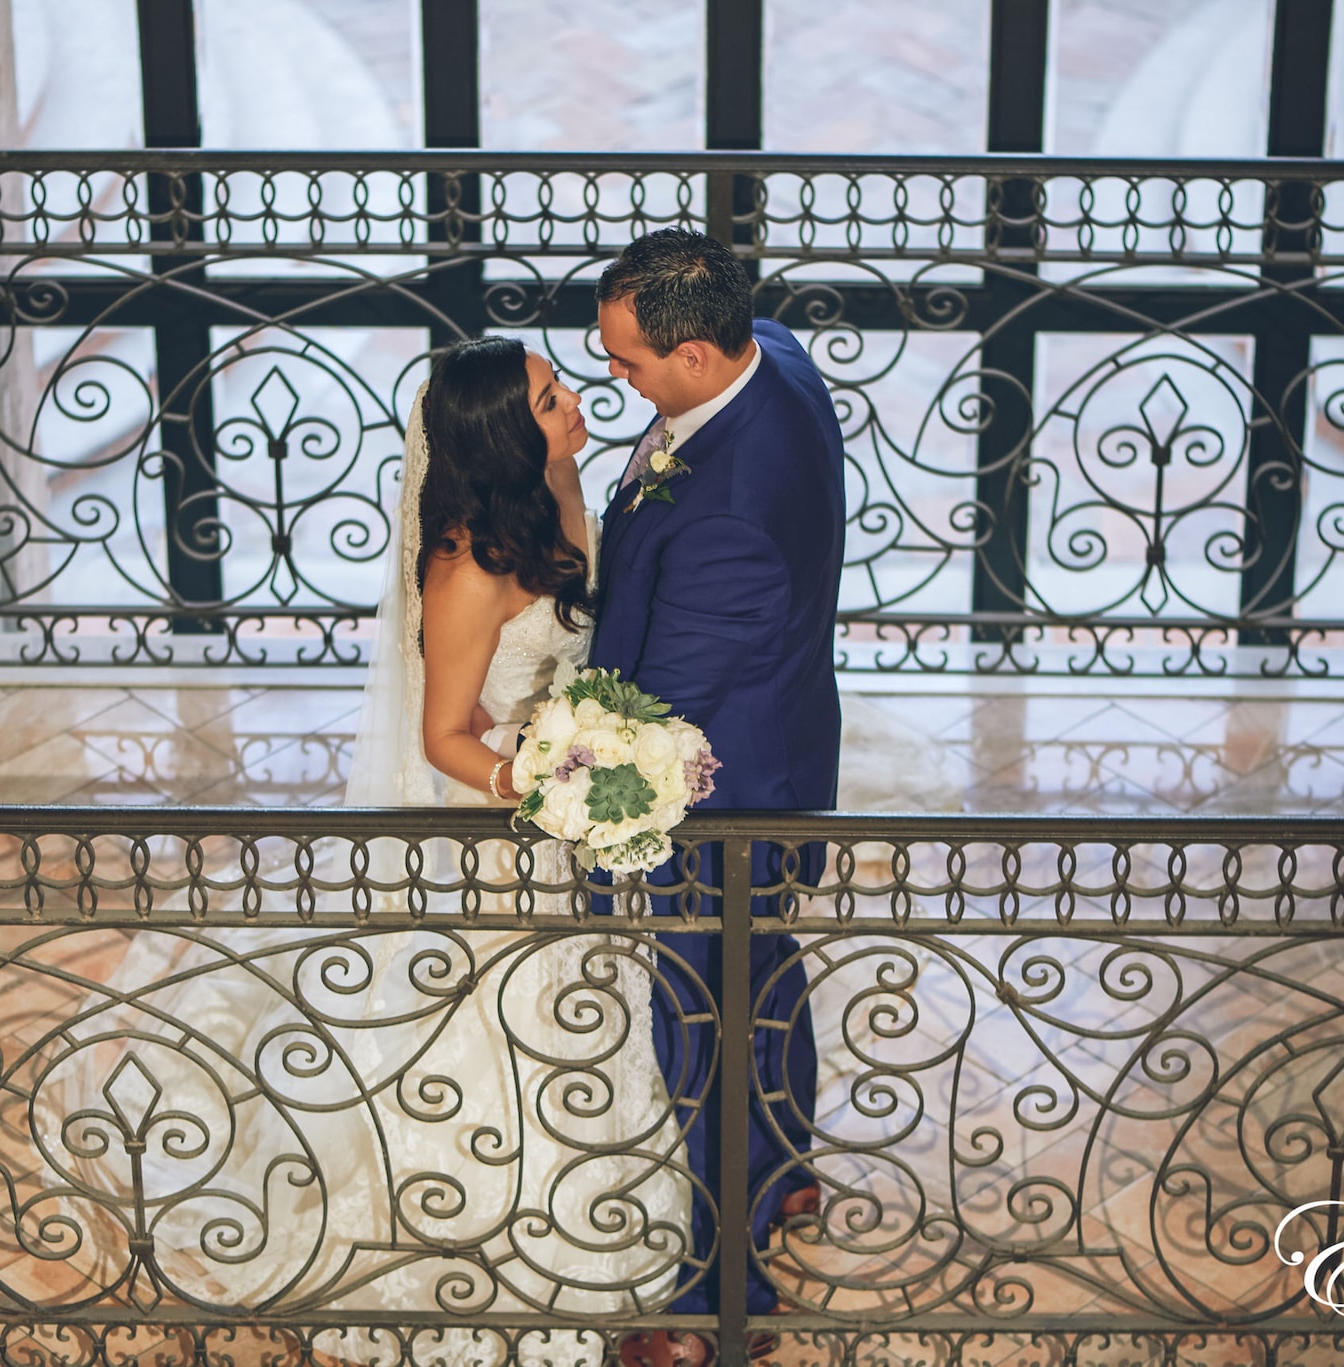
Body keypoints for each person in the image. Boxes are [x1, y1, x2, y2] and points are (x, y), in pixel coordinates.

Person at [45, 337, 693, 1358]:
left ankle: (601, 1234)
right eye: (548, 397)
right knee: (500, 1031)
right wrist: (543, 780)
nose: (572, 401)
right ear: (497, 435)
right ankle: (498, 1249)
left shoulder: (563, 486)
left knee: (592, 1015)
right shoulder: (464, 570)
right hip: (503, 844)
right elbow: (443, 738)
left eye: (559, 388)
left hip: (574, 822)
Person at [592, 228, 846, 1365]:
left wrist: (578, 794)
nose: (616, 380)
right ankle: (786, 1170)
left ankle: (714, 1298)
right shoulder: (775, 355)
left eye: (629, 362)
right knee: (767, 968)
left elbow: (652, 709)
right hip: (786, 744)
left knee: (703, 1030)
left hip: (719, 799)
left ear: (695, 352)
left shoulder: (730, 517)